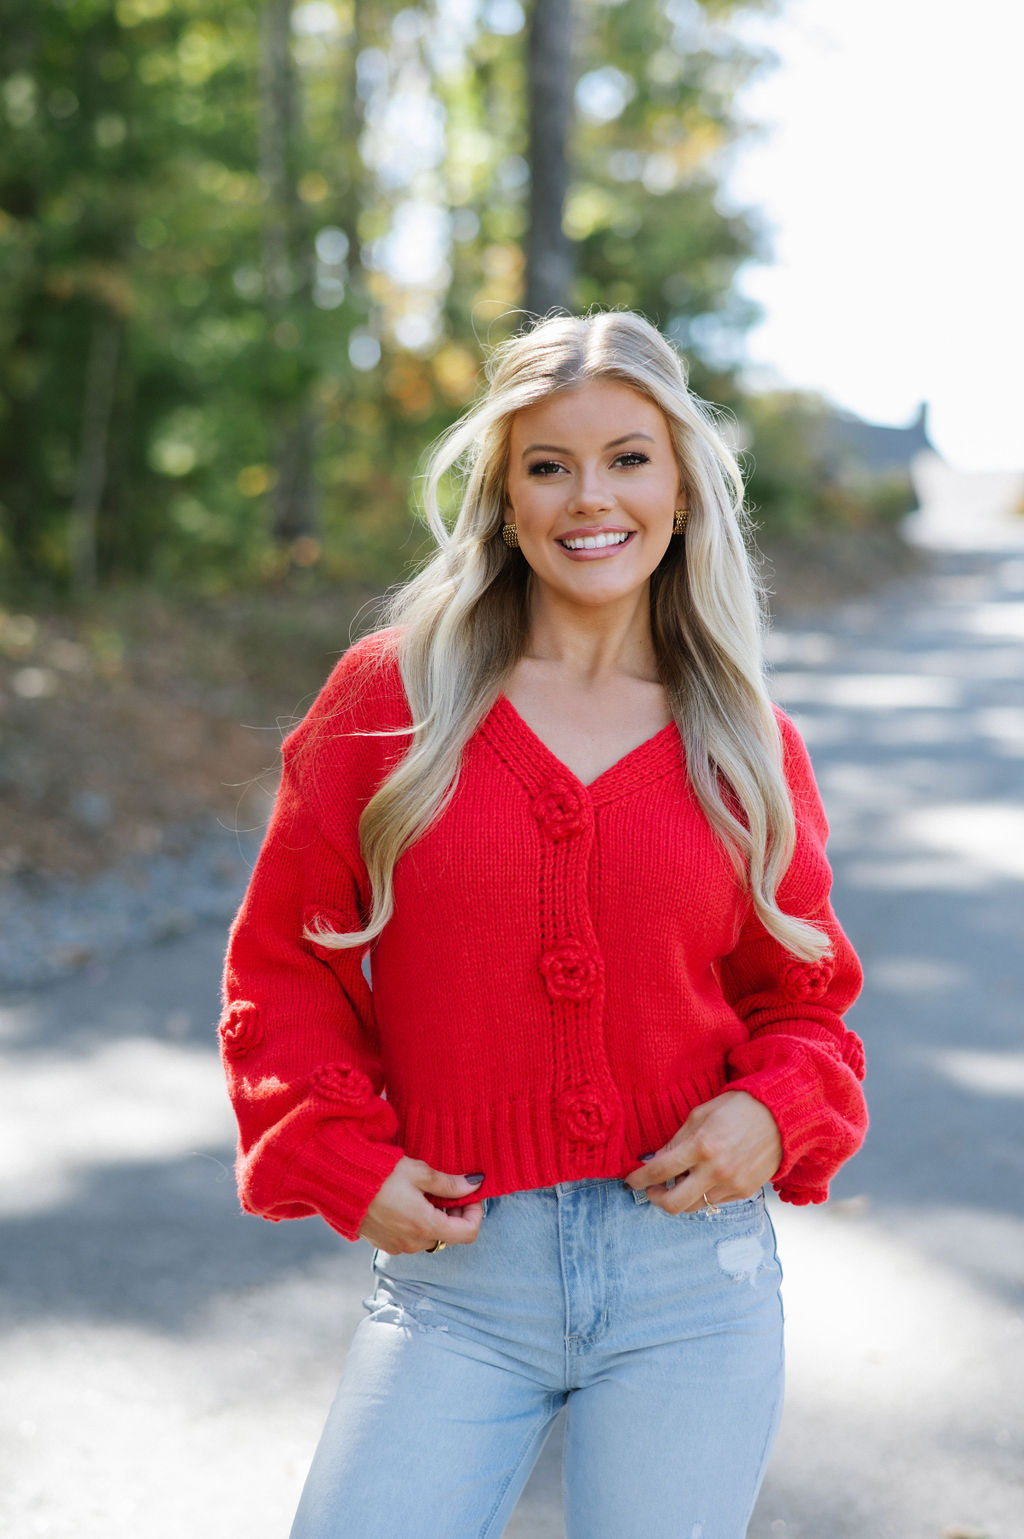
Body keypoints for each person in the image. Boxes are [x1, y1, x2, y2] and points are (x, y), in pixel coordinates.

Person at [218, 310, 868, 1539]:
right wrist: (342, 1160)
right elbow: (285, 968)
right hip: (459, 1288)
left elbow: (806, 1001)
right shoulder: (388, 699)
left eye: (628, 457)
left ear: (679, 487)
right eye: (547, 464)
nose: (590, 497)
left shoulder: (742, 743)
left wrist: (773, 1112)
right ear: (503, 499)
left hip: (691, 1283)